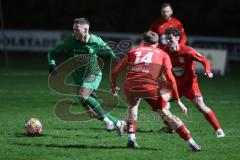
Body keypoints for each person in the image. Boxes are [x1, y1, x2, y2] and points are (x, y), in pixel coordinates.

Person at [110, 31, 201, 151]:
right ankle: (192, 143)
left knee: (132, 107)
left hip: (131, 85)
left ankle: (131, 138)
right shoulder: (163, 54)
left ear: (143, 41)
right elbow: (171, 78)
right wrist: (178, 99)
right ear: (157, 43)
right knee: (165, 113)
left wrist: (113, 86)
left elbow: (115, 70)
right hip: (148, 86)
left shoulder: (133, 51)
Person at [48, 17, 125, 136]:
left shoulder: (96, 41)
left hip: (93, 72)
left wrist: (117, 61)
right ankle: (118, 123)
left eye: (77, 30)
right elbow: (52, 52)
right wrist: (52, 64)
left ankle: (107, 122)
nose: (74, 32)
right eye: (73, 29)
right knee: (91, 112)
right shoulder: (70, 41)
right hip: (78, 77)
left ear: (86, 29)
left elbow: (110, 52)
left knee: (83, 95)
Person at [160, 27, 225, 138]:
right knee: (159, 103)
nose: (168, 41)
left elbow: (204, 60)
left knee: (201, 106)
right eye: (167, 39)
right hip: (174, 85)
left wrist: (207, 70)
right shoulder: (164, 52)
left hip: (189, 85)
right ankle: (171, 126)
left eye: (170, 38)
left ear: (177, 38)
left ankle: (219, 130)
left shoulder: (187, 51)